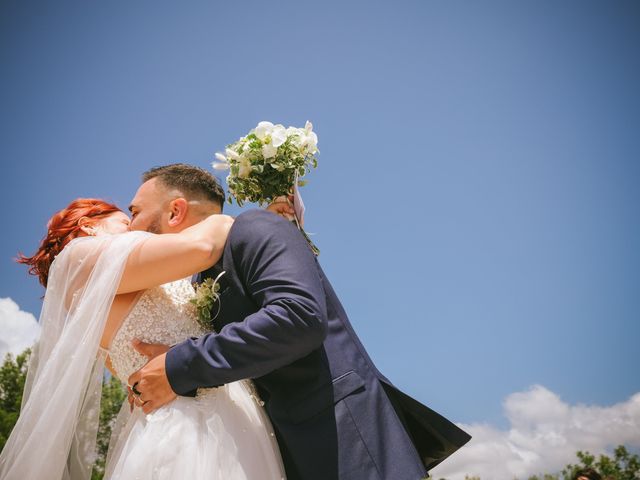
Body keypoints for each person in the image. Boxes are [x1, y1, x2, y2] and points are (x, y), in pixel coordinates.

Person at [127, 163, 471, 480]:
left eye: (135, 212)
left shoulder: (255, 227)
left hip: (344, 436)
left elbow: (297, 317)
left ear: (175, 211)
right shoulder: (200, 279)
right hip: (284, 450)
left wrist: (180, 364)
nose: (130, 225)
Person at [0, 188, 290, 479]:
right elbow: (203, 247)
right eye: (126, 222)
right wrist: (247, 223)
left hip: (228, 410)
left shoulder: (112, 285)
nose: (135, 228)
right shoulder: (82, 259)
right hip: (186, 425)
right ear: (89, 225)